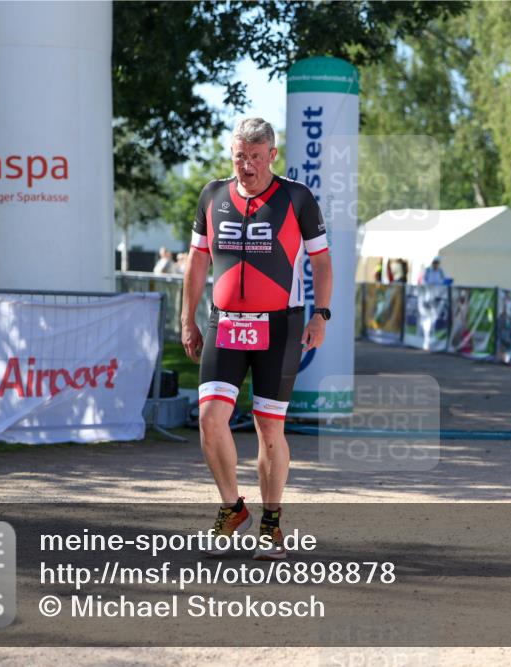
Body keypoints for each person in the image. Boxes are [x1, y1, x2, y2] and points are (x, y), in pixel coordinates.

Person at [181, 117, 333, 559]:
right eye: (239, 157)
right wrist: (187, 319)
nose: (246, 165)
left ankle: (270, 522)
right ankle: (232, 509)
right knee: (210, 420)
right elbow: (196, 261)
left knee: (269, 429)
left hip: (279, 326)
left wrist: (321, 315)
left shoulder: (296, 198)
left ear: (272, 155)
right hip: (224, 324)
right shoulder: (212, 195)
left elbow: (322, 262)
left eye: (255, 157)